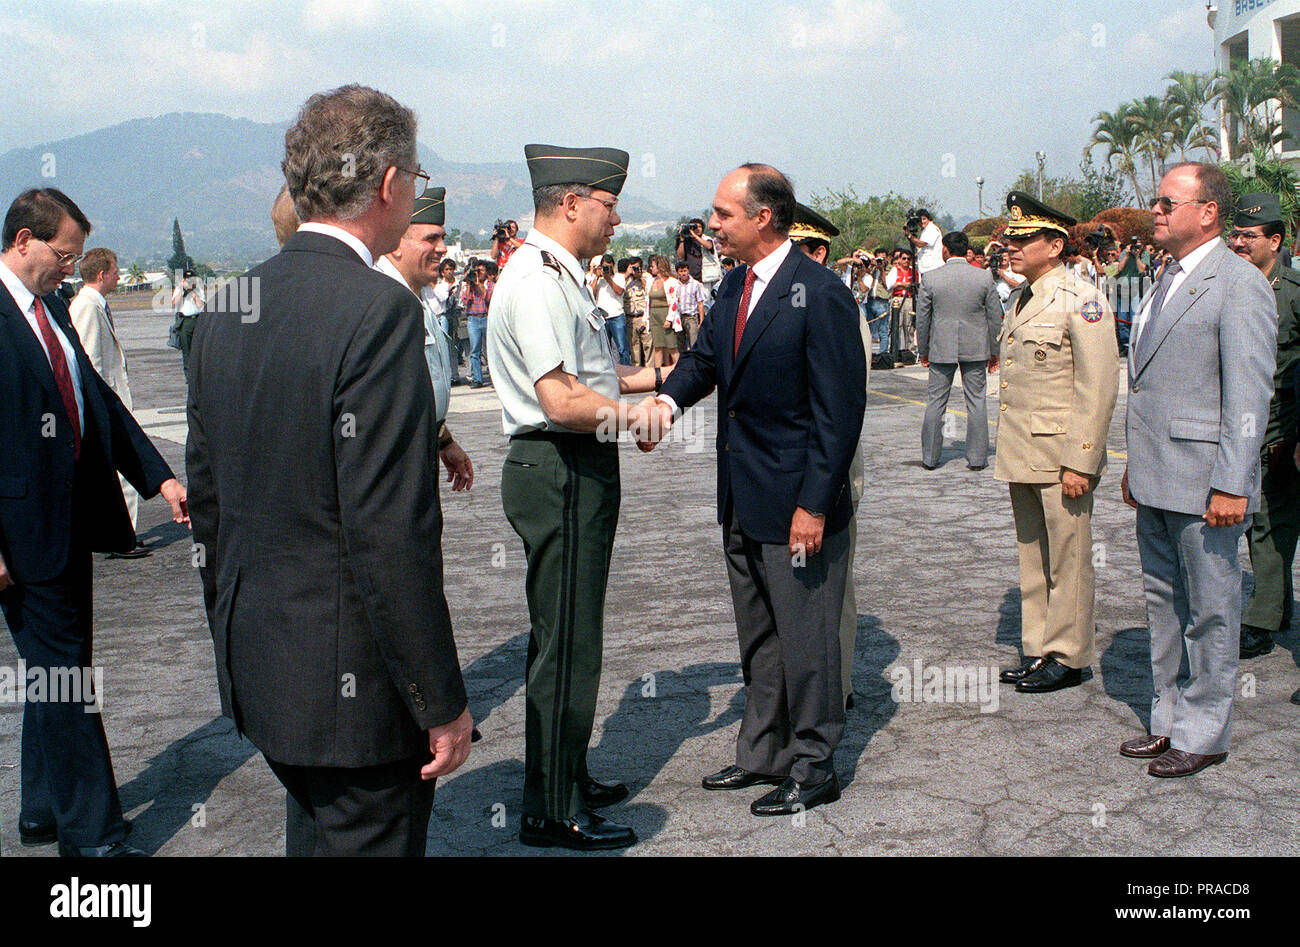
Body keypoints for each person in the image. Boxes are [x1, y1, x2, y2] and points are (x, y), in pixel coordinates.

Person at [187, 85, 473, 855]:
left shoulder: (225, 303)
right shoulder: (377, 310)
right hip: (354, 691)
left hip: (267, 665)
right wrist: (439, 699)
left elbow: (209, 505)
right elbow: (389, 533)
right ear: (387, 184)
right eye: (413, 178)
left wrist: (233, 631)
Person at [647, 164, 865, 817]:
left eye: (722, 214)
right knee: (761, 635)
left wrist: (814, 503)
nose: (711, 225)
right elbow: (705, 362)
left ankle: (814, 763)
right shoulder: (736, 285)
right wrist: (665, 403)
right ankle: (762, 751)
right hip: (742, 495)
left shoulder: (820, 292)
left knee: (807, 639)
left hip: (798, 503)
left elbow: (839, 412)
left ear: (763, 216)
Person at [486, 143, 666, 851]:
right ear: (571, 203)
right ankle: (551, 808)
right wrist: (636, 416)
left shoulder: (560, 274)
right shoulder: (534, 279)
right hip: (559, 464)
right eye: (609, 203)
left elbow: (589, 374)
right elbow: (560, 399)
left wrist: (650, 381)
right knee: (568, 644)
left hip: (578, 463)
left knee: (568, 634)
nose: (617, 218)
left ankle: (566, 770)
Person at [0, 187, 188, 857]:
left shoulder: (50, 308)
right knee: (65, 677)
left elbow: (99, 403)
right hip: (19, 534)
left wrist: (157, 475)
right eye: (63, 254)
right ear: (24, 240)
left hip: (66, 522)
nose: (71, 268)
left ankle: (43, 808)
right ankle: (94, 837)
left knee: (57, 667)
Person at [1120, 162, 1276, 777]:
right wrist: (1136, 464)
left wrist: (1233, 483)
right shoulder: (1166, 277)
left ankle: (1205, 732)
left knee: (1212, 609)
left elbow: (1248, 395)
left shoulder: (1238, 283)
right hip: (1159, 474)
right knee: (1164, 604)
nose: (1155, 210)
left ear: (1207, 212)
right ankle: (1169, 718)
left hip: (1209, 481)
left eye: (1167, 201)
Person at [993, 192, 1119, 695]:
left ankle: (1069, 655)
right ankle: (1041, 645)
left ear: (1055, 243)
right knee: (1034, 556)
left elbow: (1098, 384)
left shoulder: (1080, 299)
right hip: (1025, 451)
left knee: (1067, 557)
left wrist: (1081, 461)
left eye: (1024, 239)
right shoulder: (1024, 296)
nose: (1012, 247)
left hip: (1061, 454)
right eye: (1013, 239)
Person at [790, 202, 871, 711]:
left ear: (819, 252)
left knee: (827, 584)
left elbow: (842, 401)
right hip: (790, 463)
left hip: (829, 463)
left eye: (796, 248)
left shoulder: (834, 300)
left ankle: (833, 685)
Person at [1226, 193, 1300, 660]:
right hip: (1239, 421)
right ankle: (1277, 606)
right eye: (1234, 234)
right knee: (1256, 518)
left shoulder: (1292, 291)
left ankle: (1260, 618)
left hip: (1281, 423)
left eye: (1248, 236)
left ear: (1275, 240)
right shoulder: (1231, 284)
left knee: (1270, 520)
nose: (1238, 243)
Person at [375, 189, 474, 492]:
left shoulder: (414, 298)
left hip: (421, 452)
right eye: (430, 239)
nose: (443, 248)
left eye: (442, 238)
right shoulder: (382, 302)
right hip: (394, 466)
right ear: (395, 244)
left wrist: (443, 438)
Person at [69, 248, 149, 559]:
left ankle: (125, 533)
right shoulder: (88, 307)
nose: (118, 276)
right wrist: (103, 407)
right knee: (121, 474)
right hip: (106, 402)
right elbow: (91, 360)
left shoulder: (93, 304)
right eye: (115, 271)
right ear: (102, 274)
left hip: (110, 399)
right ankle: (122, 536)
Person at [916, 230, 1003, 471]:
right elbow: (995, 317)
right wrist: (995, 349)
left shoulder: (931, 278)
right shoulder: (983, 278)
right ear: (967, 251)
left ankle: (930, 458)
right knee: (976, 401)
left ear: (945, 249)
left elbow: (923, 319)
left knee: (936, 401)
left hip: (941, 346)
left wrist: (923, 349)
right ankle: (976, 458)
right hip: (975, 346)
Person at [588, 253, 629, 365]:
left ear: (613, 266)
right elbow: (590, 293)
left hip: (617, 316)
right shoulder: (599, 280)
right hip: (602, 317)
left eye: (609, 267)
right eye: (604, 267)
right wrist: (597, 276)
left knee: (622, 348)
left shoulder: (619, 277)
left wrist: (608, 279)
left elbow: (619, 291)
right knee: (605, 349)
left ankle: (626, 368)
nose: (607, 270)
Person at [431, 258, 466, 385]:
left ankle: (454, 374)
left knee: (452, 346)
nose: (449, 272)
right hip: (440, 315)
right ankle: (447, 374)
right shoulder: (439, 285)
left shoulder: (459, 283)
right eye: (446, 269)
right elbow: (441, 298)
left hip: (454, 315)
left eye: (451, 269)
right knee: (443, 346)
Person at [461, 258, 493, 387]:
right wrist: (469, 284)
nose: (478, 273)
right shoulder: (471, 285)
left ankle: (494, 378)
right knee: (475, 350)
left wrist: (479, 284)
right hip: (473, 319)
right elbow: (465, 300)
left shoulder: (489, 285)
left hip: (486, 317)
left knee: (490, 350)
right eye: (477, 271)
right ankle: (477, 379)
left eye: (481, 271)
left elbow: (488, 298)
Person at [647, 254, 680, 367]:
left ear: (660, 266)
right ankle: (658, 374)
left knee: (671, 347)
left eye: (653, 266)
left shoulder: (671, 281)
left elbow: (674, 302)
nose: (651, 268)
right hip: (654, 315)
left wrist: (669, 319)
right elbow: (648, 301)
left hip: (666, 314)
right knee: (658, 346)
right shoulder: (650, 281)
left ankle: (680, 370)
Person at [171, 268, 204, 376]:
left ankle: (199, 373)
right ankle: (189, 375)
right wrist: (182, 289)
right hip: (184, 321)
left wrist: (192, 292)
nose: (190, 281)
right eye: (187, 279)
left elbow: (200, 305)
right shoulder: (179, 289)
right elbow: (175, 303)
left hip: (197, 319)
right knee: (187, 351)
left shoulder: (198, 290)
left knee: (199, 349)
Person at [622, 256, 651, 366]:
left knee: (647, 348)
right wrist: (627, 275)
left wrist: (639, 277)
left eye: (636, 267)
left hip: (643, 317)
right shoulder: (625, 280)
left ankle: (649, 374)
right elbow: (619, 289)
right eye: (632, 267)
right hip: (630, 318)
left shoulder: (646, 277)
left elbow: (648, 289)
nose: (634, 270)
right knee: (634, 349)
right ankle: (637, 371)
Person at [673, 258, 706, 353]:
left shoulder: (696, 284)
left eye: (685, 271)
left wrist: (701, 321)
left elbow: (700, 303)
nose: (683, 273)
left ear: (688, 271)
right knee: (681, 345)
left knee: (694, 343)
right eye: (681, 271)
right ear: (677, 272)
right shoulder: (675, 285)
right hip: (679, 318)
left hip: (691, 317)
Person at [909, 208, 943, 275]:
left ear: (929, 219)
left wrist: (909, 236)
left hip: (933, 269)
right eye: (919, 220)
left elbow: (921, 244)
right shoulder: (925, 231)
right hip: (927, 268)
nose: (922, 222)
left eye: (924, 219)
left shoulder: (931, 229)